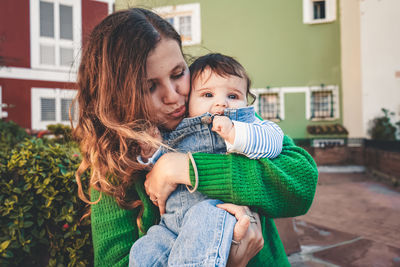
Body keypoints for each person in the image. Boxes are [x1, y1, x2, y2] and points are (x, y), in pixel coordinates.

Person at [73, 8, 318, 267]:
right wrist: (230, 261)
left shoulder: (220, 107)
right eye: (149, 87)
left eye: (178, 74)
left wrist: (187, 169)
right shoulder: (114, 161)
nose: (173, 95)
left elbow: (302, 183)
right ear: (118, 97)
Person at [130, 53, 284, 266]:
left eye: (233, 96)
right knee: (145, 251)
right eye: (208, 95)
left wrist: (237, 135)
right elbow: (161, 170)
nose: (221, 103)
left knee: (200, 234)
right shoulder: (180, 128)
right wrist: (151, 152)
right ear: (189, 100)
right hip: (172, 226)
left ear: (247, 101)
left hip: (215, 217)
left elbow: (275, 141)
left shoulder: (247, 126)